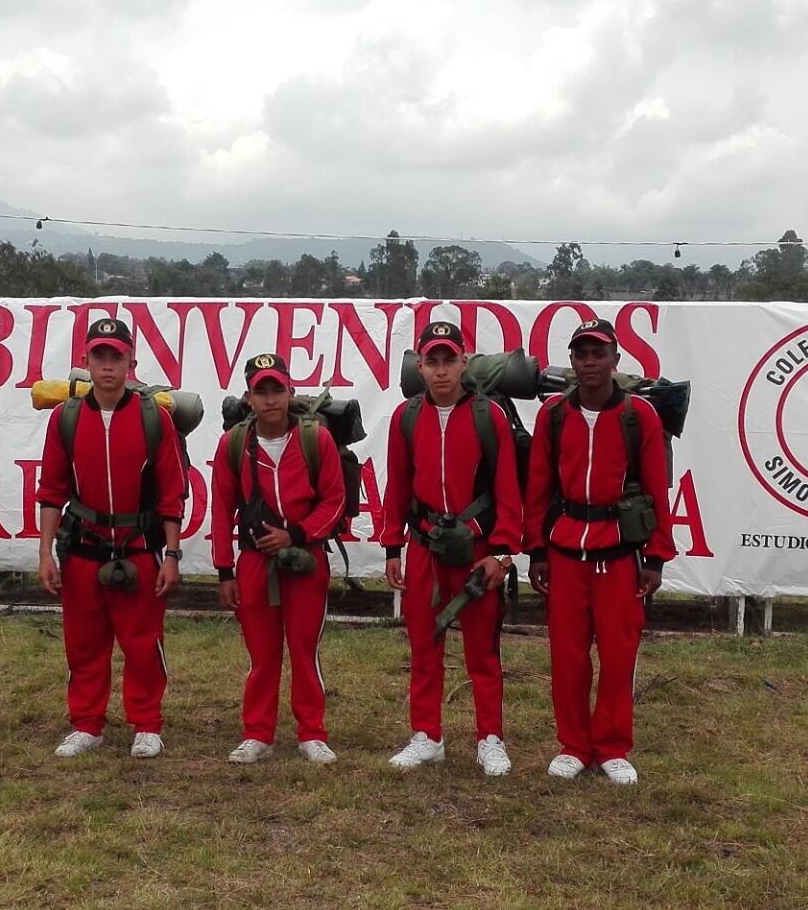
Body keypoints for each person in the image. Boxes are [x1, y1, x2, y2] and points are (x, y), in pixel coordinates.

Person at [524, 316, 677, 785]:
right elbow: (539, 487)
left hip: (619, 554)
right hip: (567, 550)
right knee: (567, 657)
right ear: (572, 361)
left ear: (616, 359)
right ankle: (573, 745)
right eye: (581, 354)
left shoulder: (640, 416)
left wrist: (654, 558)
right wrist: (537, 551)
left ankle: (612, 746)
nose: (590, 363)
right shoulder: (552, 414)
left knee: (618, 655)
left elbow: (656, 488)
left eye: (598, 353)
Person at [36, 316, 186, 758]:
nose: (107, 365)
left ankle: (147, 723)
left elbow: (173, 494)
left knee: (142, 641)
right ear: (85, 361)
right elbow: (51, 492)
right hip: (82, 548)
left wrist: (172, 554)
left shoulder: (153, 419)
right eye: (99, 356)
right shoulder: (65, 419)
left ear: (130, 362)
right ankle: (87, 724)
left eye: (115, 357)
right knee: (83, 643)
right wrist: (45, 553)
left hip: (139, 548)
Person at [378, 319, 523, 776]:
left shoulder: (489, 416)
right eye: (431, 361)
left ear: (464, 362)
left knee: (483, 651)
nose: (441, 371)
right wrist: (391, 547)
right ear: (419, 367)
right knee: (424, 646)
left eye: (449, 360)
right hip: (424, 548)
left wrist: (503, 552)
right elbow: (397, 486)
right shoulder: (406, 418)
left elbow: (507, 489)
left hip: (477, 549)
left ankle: (490, 738)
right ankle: (426, 736)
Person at [209, 353, 346, 765]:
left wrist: (297, 534)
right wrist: (223, 571)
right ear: (249, 397)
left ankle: (312, 733)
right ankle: (258, 733)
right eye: (260, 391)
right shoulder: (234, 443)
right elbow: (220, 509)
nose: (270, 399)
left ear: (290, 392)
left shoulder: (315, 439)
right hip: (254, 564)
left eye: (277, 390)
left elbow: (335, 501)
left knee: (305, 650)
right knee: (261, 654)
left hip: (306, 560)